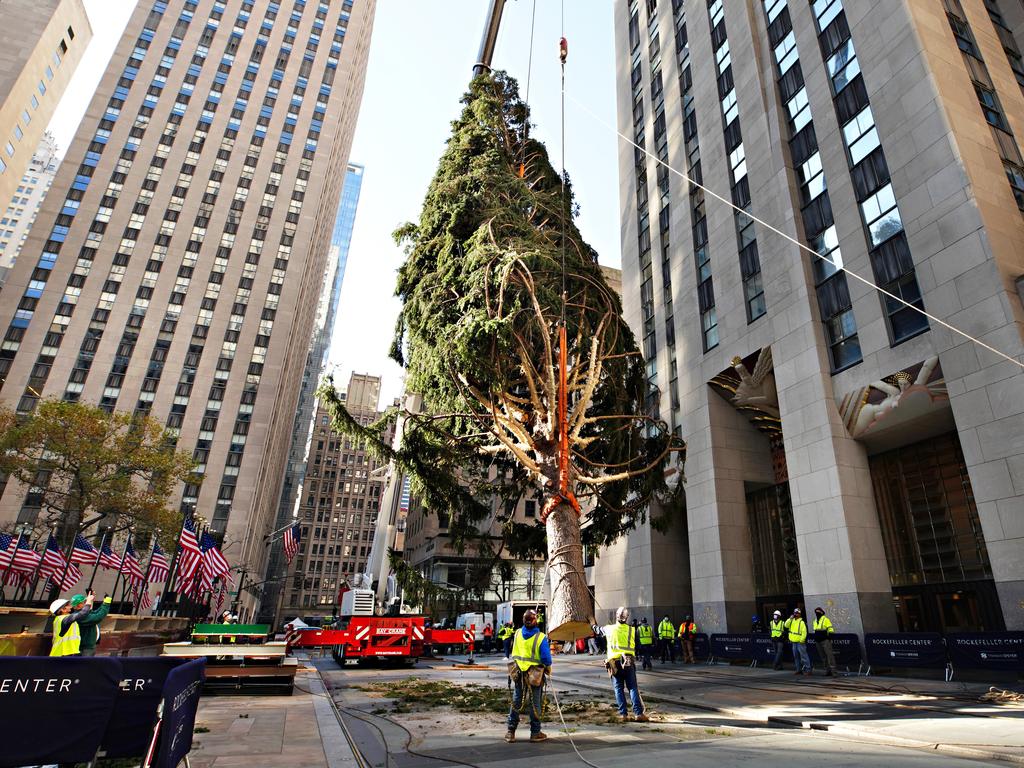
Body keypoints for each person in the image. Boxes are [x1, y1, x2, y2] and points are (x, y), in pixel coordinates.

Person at [505, 609, 551, 743]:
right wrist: (548, 668)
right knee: (535, 703)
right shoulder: (541, 637)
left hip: (519, 672)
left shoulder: (518, 633)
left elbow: (515, 651)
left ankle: (510, 732)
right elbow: (546, 659)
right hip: (534, 675)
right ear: (535, 621)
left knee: (516, 701)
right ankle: (535, 733)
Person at [605, 607, 649, 723]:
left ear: (616, 616)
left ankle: (623, 714)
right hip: (629, 661)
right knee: (633, 688)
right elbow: (637, 644)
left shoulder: (609, 629)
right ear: (626, 618)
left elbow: (597, 630)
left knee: (618, 688)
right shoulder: (632, 630)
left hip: (614, 662)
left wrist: (592, 624)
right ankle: (638, 713)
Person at [73, 591, 112, 657]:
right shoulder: (80, 616)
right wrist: (106, 603)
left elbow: (96, 612)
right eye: (84, 602)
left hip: (86, 646)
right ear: (79, 605)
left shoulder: (81, 614)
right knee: (85, 666)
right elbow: (98, 616)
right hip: (85, 648)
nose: (87, 603)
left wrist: (105, 602)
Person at [786, 608, 810, 675]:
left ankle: (808, 669)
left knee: (804, 656)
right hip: (794, 642)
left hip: (800, 642)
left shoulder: (802, 622)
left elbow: (804, 632)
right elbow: (786, 625)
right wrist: (790, 619)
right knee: (796, 656)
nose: (796, 614)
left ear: (800, 614)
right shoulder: (791, 620)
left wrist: (802, 640)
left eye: (797, 613)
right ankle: (798, 669)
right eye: (795, 613)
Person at [813, 607, 837, 676]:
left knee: (830, 656)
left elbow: (830, 629)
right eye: (816, 612)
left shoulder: (826, 619)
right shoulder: (815, 621)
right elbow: (815, 630)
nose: (817, 613)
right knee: (823, 657)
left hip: (825, 640)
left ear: (821, 612)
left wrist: (829, 637)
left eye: (818, 612)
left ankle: (834, 672)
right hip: (818, 640)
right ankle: (827, 670)